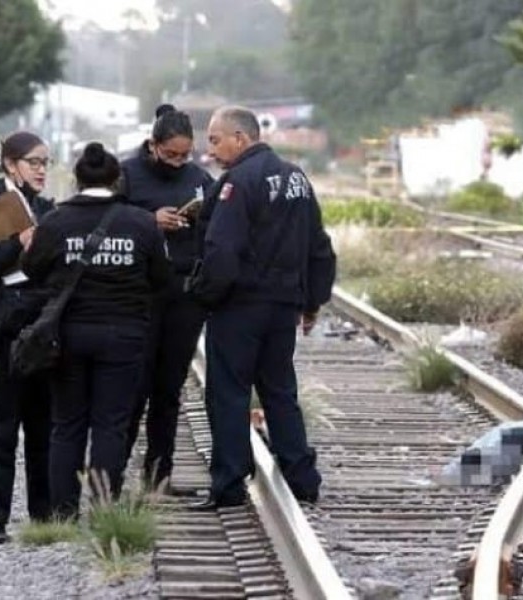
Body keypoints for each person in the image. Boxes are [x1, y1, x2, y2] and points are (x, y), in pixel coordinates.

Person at [190, 106, 336, 508]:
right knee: (280, 391)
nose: (211, 148)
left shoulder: (238, 182)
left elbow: (222, 249)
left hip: (241, 307)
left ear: (241, 138)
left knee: (229, 393)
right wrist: (312, 302)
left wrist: (204, 296)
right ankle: (302, 479)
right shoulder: (297, 179)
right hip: (283, 307)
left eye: (216, 139)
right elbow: (318, 246)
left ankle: (229, 484)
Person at [21, 142, 169, 519]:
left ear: (77, 178)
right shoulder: (141, 222)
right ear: (116, 179)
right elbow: (161, 279)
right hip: (124, 335)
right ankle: (104, 509)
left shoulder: (55, 221)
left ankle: (63, 513)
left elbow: (34, 270)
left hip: (68, 336)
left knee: (67, 424)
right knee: (111, 424)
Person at [121, 104, 214, 491]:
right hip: (138, 292)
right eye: (170, 154)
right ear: (152, 145)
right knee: (133, 386)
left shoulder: (199, 178)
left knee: (168, 387)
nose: (177, 163)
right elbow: (103, 217)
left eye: (184, 155)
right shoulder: (126, 175)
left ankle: (159, 474)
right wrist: (149, 220)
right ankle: (109, 475)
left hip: (183, 294)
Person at [0, 132, 54, 542]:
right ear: (11, 165)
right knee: (4, 424)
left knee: (43, 422)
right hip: (4, 325)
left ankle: (42, 513)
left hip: (41, 323)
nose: (42, 169)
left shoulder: (47, 207)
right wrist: (18, 243)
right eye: (34, 162)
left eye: (46, 161)